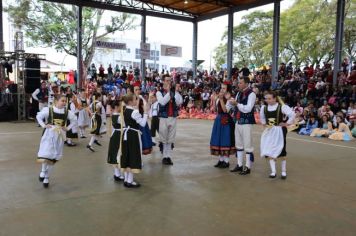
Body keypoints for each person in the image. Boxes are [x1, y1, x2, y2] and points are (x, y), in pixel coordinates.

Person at [36, 94, 77, 188]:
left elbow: (74, 120)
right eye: (62, 101)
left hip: (59, 136)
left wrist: (67, 128)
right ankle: (43, 171)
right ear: (56, 101)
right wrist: (44, 125)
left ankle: (46, 177)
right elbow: (39, 117)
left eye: (65, 101)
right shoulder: (49, 110)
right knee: (46, 153)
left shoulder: (67, 112)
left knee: (53, 157)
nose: (64, 103)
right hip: (49, 134)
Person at [259, 91, 295, 179]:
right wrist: (264, 124)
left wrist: (286, 123)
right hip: (270, 131)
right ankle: (273, 171)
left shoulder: (281, 107)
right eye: (266, 98)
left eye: (269, 98)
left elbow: (292, 114)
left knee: (282, 150)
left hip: (280, 131)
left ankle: (283, 171)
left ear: (275, 98)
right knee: (270, 149)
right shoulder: (264, 108)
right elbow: (262, 117)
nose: (267, 100)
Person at [121, 94, 149, 188]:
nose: (136, 101)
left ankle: (127, 179)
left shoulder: (125, 110)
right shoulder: (134, 112)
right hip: (133, 135)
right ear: (130, 102)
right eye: (135, 99)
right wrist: (145, 112)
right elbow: (143, 123)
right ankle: (130, 181)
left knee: (128, 155)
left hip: (127, 134)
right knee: (134, 155)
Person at [229, 77, 256, 175]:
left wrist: (237, 104)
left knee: (248, 145)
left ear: (246, 83)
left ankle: (248, 167)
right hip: (238, 121)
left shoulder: (252, 94)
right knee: (239, 144)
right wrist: (231, 103)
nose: (238, 84)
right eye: (238, 83)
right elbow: (235, 106)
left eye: (240, 83)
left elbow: (248, 109)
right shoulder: (238, 93)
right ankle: (240, 165)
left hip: (247, 122)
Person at [156, 77, 183, 165]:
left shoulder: (174, 92)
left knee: (171, 138)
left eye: (170, 80)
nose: (168, 82)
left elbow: (179, 101)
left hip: (173, 117)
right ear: (163, 81)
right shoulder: (159, 92)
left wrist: (175, 92)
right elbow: (162, 102)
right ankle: (164, 156)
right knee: (163, 138)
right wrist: (169, 92)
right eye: (167, 80)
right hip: (164, 118)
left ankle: (169, 156)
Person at [210, 83, 235, 169]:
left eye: (224, 88)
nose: (222, 90)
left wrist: (220, 99)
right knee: (219, 139)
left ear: (228, 90)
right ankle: (221, 160)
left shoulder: (230, 99)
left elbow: (225, 110)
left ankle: (226, 161)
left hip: (226, 120)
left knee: (225, 139)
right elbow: (215, 110)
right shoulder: (219, 97)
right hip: (219, 119)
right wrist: (214, 100)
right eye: (221, 88)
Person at [107, 99, 124, 182]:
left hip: (115, 135)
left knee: (115, 154)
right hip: (118, 136)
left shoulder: (113, 115)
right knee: (117, 154)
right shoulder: (119, 116)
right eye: (121, 106)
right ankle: (117, 174)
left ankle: (117, 173)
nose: (122, 107)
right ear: (117, 107)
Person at [134, 84, 153, 155]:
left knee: (144, 138)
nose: (138, 91)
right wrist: (138, 99)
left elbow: (147, 108)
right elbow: (135, 109)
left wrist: (149, 99)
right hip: (135, 120)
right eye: (136, 90)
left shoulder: (141, 97)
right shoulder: (132, 99)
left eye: (139, 89)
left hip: (142, 119)